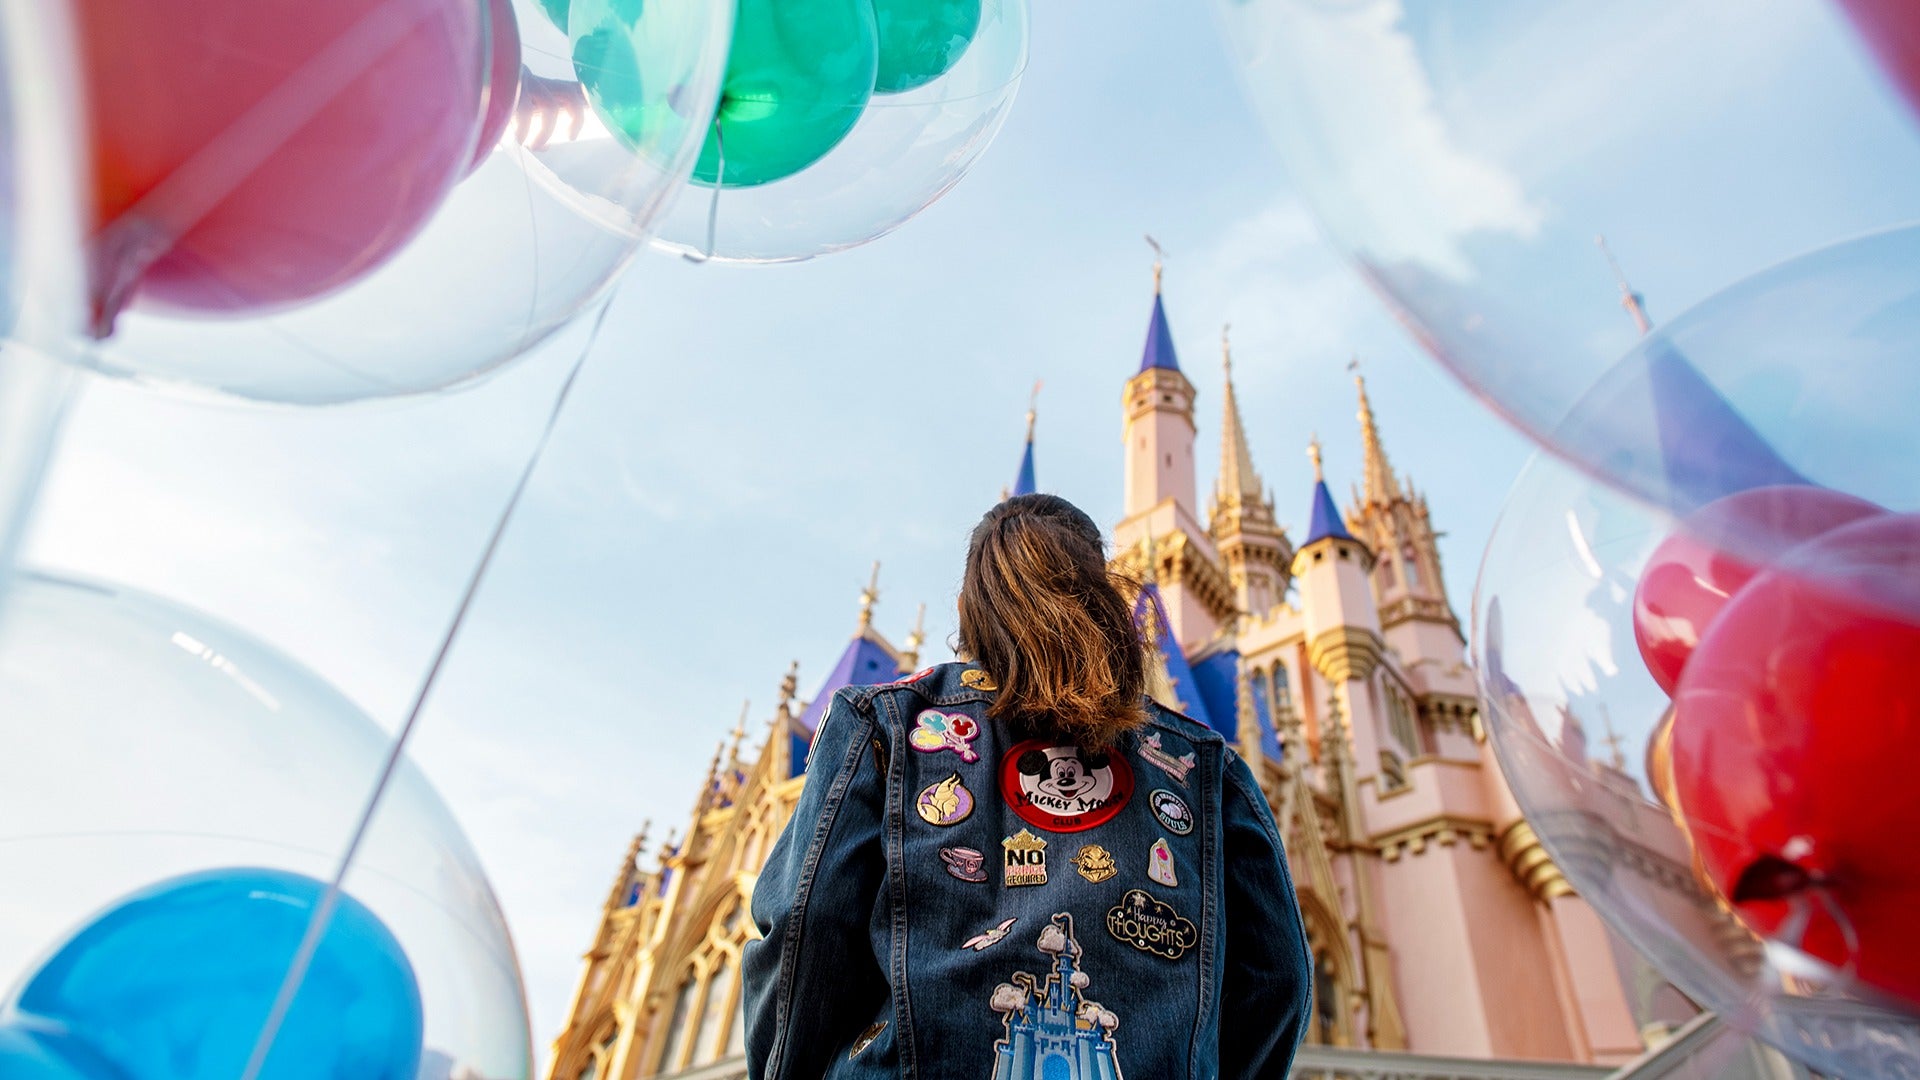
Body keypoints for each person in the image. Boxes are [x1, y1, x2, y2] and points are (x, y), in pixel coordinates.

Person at [743, 493, 1312, 1079]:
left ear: (967, 610)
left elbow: (801, 925)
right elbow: (1279, 978)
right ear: (1103, 597)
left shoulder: (885, 726)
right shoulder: (1202, 766)